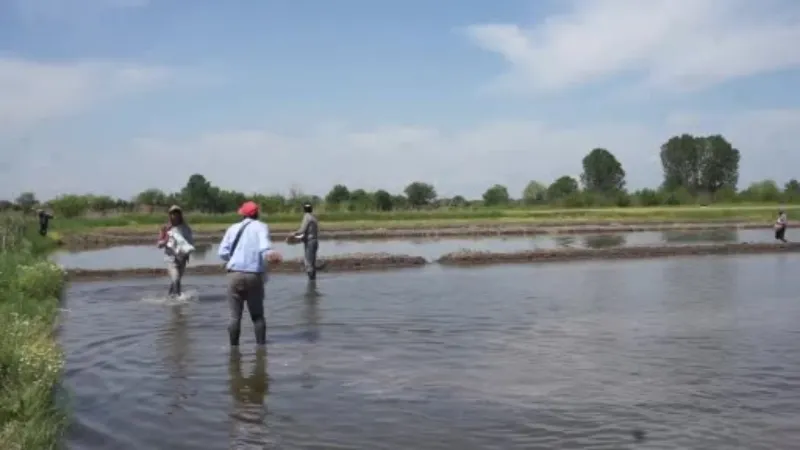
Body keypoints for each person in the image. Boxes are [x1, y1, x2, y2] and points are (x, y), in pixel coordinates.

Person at [218, 201, 283, 347]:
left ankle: (233, 351)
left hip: (234, 274)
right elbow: (265, 248)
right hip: (254, 275)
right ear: (257, 213)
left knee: (235, 317)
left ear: (242, 214)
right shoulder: (261, 227)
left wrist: (235, 258)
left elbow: (222, 253)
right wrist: (271, 255)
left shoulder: (233, 228)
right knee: (257, 316)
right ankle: (261, 350)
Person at [157, 205, 194, 298]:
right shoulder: (165, 228)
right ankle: (179, 299)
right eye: (173, 213)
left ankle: (170, 297)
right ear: (170, 215)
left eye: (177, 213)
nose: (175, 215)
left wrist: (187, 254)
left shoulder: (186, 228)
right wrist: (165, 241)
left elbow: (189, 242)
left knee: (176, 280)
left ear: (180, 215)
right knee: (176, 278)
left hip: (182, 258)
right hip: (171, 258)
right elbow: (159, 244)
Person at [293, 203, 319, 280]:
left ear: (304, 210)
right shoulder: (314, 218)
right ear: (311, 209)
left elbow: (302, 230)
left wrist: (294, 234)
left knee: (308, 263)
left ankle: (311, 283)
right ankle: (313, 281)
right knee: (312, 263)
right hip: (315, 241)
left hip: (310, 242)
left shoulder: (306, 217)